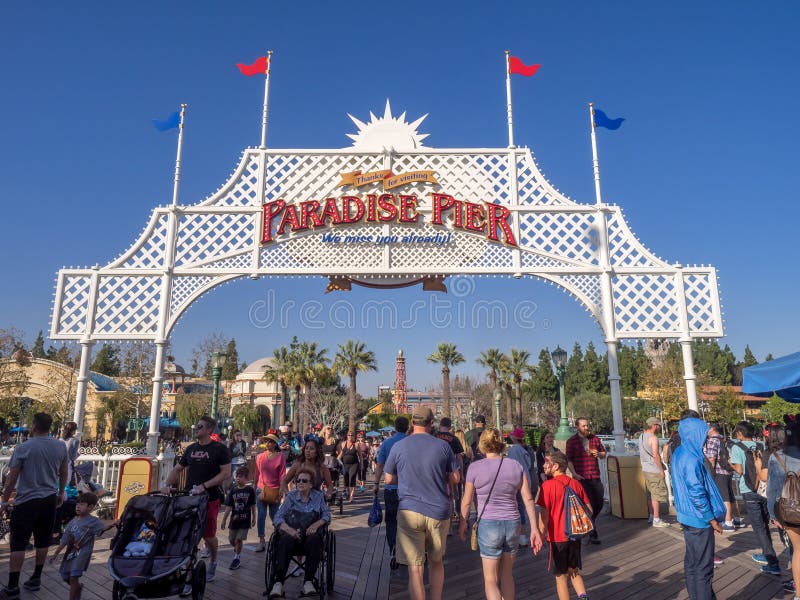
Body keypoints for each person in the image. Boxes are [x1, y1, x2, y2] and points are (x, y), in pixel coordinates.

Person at [384, 406, 460, 600]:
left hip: (410, 511)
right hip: (438, 511)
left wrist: (408, 479)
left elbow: (388, 479)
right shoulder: (443, 446)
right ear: (431, 423)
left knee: (415, 569)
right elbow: (456, 477)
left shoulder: (398, 446)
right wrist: (439, 477)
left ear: (412, 423)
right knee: (436, 562)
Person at [459, 428, 542, 600]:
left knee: (490, 580)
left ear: (482, 445)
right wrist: (534, 529)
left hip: (488, 524)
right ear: (502, 444)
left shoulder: (475, 468)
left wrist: (463, 522)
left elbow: (467, 501)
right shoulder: (515, 466)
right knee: (507, 575)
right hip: (512, 523)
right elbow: (528, 499)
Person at [0, 412, 68, 599]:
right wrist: (60, 492)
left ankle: (13, 586)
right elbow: (64, 473)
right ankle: (36, 578)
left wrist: (4, 501)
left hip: (27, 501)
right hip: (49, 499)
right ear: (49, 427)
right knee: (43, 540)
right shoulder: (60, 446)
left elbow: (12, 478)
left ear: (34, 426)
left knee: (19, 543)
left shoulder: (24, 447)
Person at [161, 415, 231, 587]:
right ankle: (188, 571)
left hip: (210, 498)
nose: (196, 429)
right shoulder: (191, 449)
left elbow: (226, 473)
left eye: (199, 427)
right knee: (186, 535)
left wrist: (204, 486)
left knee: (208, 536)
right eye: (196, 427)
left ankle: (213, 560)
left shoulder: (219, 449)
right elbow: (177, 469)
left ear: (209, 430)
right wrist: (166, 485)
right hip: (190, 498)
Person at [671, 417, 725, 600]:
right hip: (699, 519)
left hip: (686, 515)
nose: (705, 437)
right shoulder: (692, 459)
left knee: (693, 564)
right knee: (703, 568)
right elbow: (697, 493)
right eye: (703, 433)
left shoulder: (679, 452)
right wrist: (712, 520)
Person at [268, 466, 332, 599]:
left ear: (311, 484)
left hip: (310, 537)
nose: (300, 483)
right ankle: (278, 583)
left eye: (304, 481)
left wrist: (317, 524)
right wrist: (289, 529)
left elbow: (326, 516)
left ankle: (308, 581)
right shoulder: (290, 497)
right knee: (284, 540)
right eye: (298, 481)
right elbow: (278, 517)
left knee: (315, 540)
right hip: (292, 536)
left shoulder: (318, 496)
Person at [536, 450, 591, 600]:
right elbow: (589, 510)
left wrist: (540, 535)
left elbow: (544, 516)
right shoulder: (575, 484)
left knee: (560, 577)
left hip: (557, 538)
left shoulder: (547, 486)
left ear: (555, 466)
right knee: (574, 572)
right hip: (574, 536)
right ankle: (584, 597)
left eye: (547, 462)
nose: (543, 465)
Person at [730, 420, 779, 575]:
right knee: (765, 525)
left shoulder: (736, 447)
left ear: (739, 434)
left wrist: (729, 463)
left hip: (748, 490)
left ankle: (772, 562)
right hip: (763, 490)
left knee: (759, 528)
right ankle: (768, 554)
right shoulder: (761, 446)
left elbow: (738, 470)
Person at [48, 492, 116, 600]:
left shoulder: (93, 521)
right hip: (70, 553)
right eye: (77, 504)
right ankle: (77, 587)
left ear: (90, 507)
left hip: (82, 553)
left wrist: (112, 525)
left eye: (82, 504)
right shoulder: (72, 522)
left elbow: (102, 528)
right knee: (65, 576)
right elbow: (64, 540)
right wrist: (55, 554)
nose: (78, 506)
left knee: (74, 576)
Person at [767, 416, 800, 599]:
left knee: (798, 552)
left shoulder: (777, 456)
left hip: (790, 511)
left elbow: (772, 490)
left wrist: (774, 515)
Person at [372, 416, 410, 569]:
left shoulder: (387, 443)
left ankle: (393, 547)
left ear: (395, 427)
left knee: (391, 520)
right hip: (408, 489)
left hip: (391, 489)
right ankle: (406, 550)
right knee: (408, 521)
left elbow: (380, 465)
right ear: (407, 427)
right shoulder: (410, 442)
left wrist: (376, 484)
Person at [565, 418, 606, 544]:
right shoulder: (572, 441)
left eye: (587, 425)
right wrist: (574, 474)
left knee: (599, 503)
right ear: (577, 427)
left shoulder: (594, 438)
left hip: (594, 475)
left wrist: (598, 454)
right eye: (583, 426)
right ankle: (593, 532)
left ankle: (589, 525)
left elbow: (604, 453)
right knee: (588, 504)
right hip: (581, 477)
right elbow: (569, 459)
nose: (586, 428)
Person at [703, 421, 738, 531]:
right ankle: (737, 519)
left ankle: (728, 522)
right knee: (730, 496)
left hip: (719, 471)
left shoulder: (713, 440)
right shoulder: (724, 438)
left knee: (724, 497)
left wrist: (710, 474)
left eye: (707, 428)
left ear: (712, 429)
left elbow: (711, 459)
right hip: (728, 471)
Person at [254, 433, 286, 552]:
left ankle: (278, 536)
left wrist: (282, 490)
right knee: (261, 515)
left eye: (270, 441)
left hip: (274, 489)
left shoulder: (280, 456)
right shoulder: (260, 456)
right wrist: (254, 488)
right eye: (266, 441)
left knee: (274, 515)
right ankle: (261, 540)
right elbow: (256, 474)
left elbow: (282, 474)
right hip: (261, 489)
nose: (267, 443)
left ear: (275, 444)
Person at [221, 466, 256, 570]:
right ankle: (237, 549)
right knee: (231, 540)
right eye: (237, 476)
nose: (237, 478)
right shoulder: (233, 490)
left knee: (238, 539)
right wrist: (224, 520)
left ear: (246, 478)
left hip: (245, 520)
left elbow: (253, 505)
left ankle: (237, 558)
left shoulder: (250, 490)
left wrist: (254, 516)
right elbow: (228, 507)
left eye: (240, 477)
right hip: (234, 520)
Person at [507, 427, 535, 546]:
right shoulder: (526, 449)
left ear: (514, 437)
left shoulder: (514, 450)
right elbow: (529, 465)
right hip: (526, 479)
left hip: (516, 481)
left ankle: (521, 536)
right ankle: (522, 536)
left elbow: (511, 466)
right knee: (522, 508)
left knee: (518, 509)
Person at [639, 417, 669, 527]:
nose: (659, 427)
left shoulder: (641, 436)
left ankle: (651, 515)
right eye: (658, 425)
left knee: (649, 494)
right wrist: (661, 470)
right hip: (653, 469)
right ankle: (657, 519)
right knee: (656, 494)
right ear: (654, 425)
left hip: (645, 468)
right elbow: (656, 455)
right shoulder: (653, 438)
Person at [435, 417, 465, 518]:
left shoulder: (433, 436)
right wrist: (461, 474)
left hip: (436, 470)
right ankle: (450, 525)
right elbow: (459, 458)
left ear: (440, 425)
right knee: (451, 496)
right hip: (451, 470)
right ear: (450, 427)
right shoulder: (455, 439)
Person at [338, 431, 360, 502]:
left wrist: (362, 465)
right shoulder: (343, 444)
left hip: (354, 464)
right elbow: (341, 454)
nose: (350, 436)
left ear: (354, 436)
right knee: (346, 480)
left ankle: (351, 496)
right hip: (345, 465)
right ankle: (348, 492)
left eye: (352, 435)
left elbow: (360, 456)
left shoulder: (356, 445)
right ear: (347, 436)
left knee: (352, 478)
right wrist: (335, 461)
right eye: (349, 435)